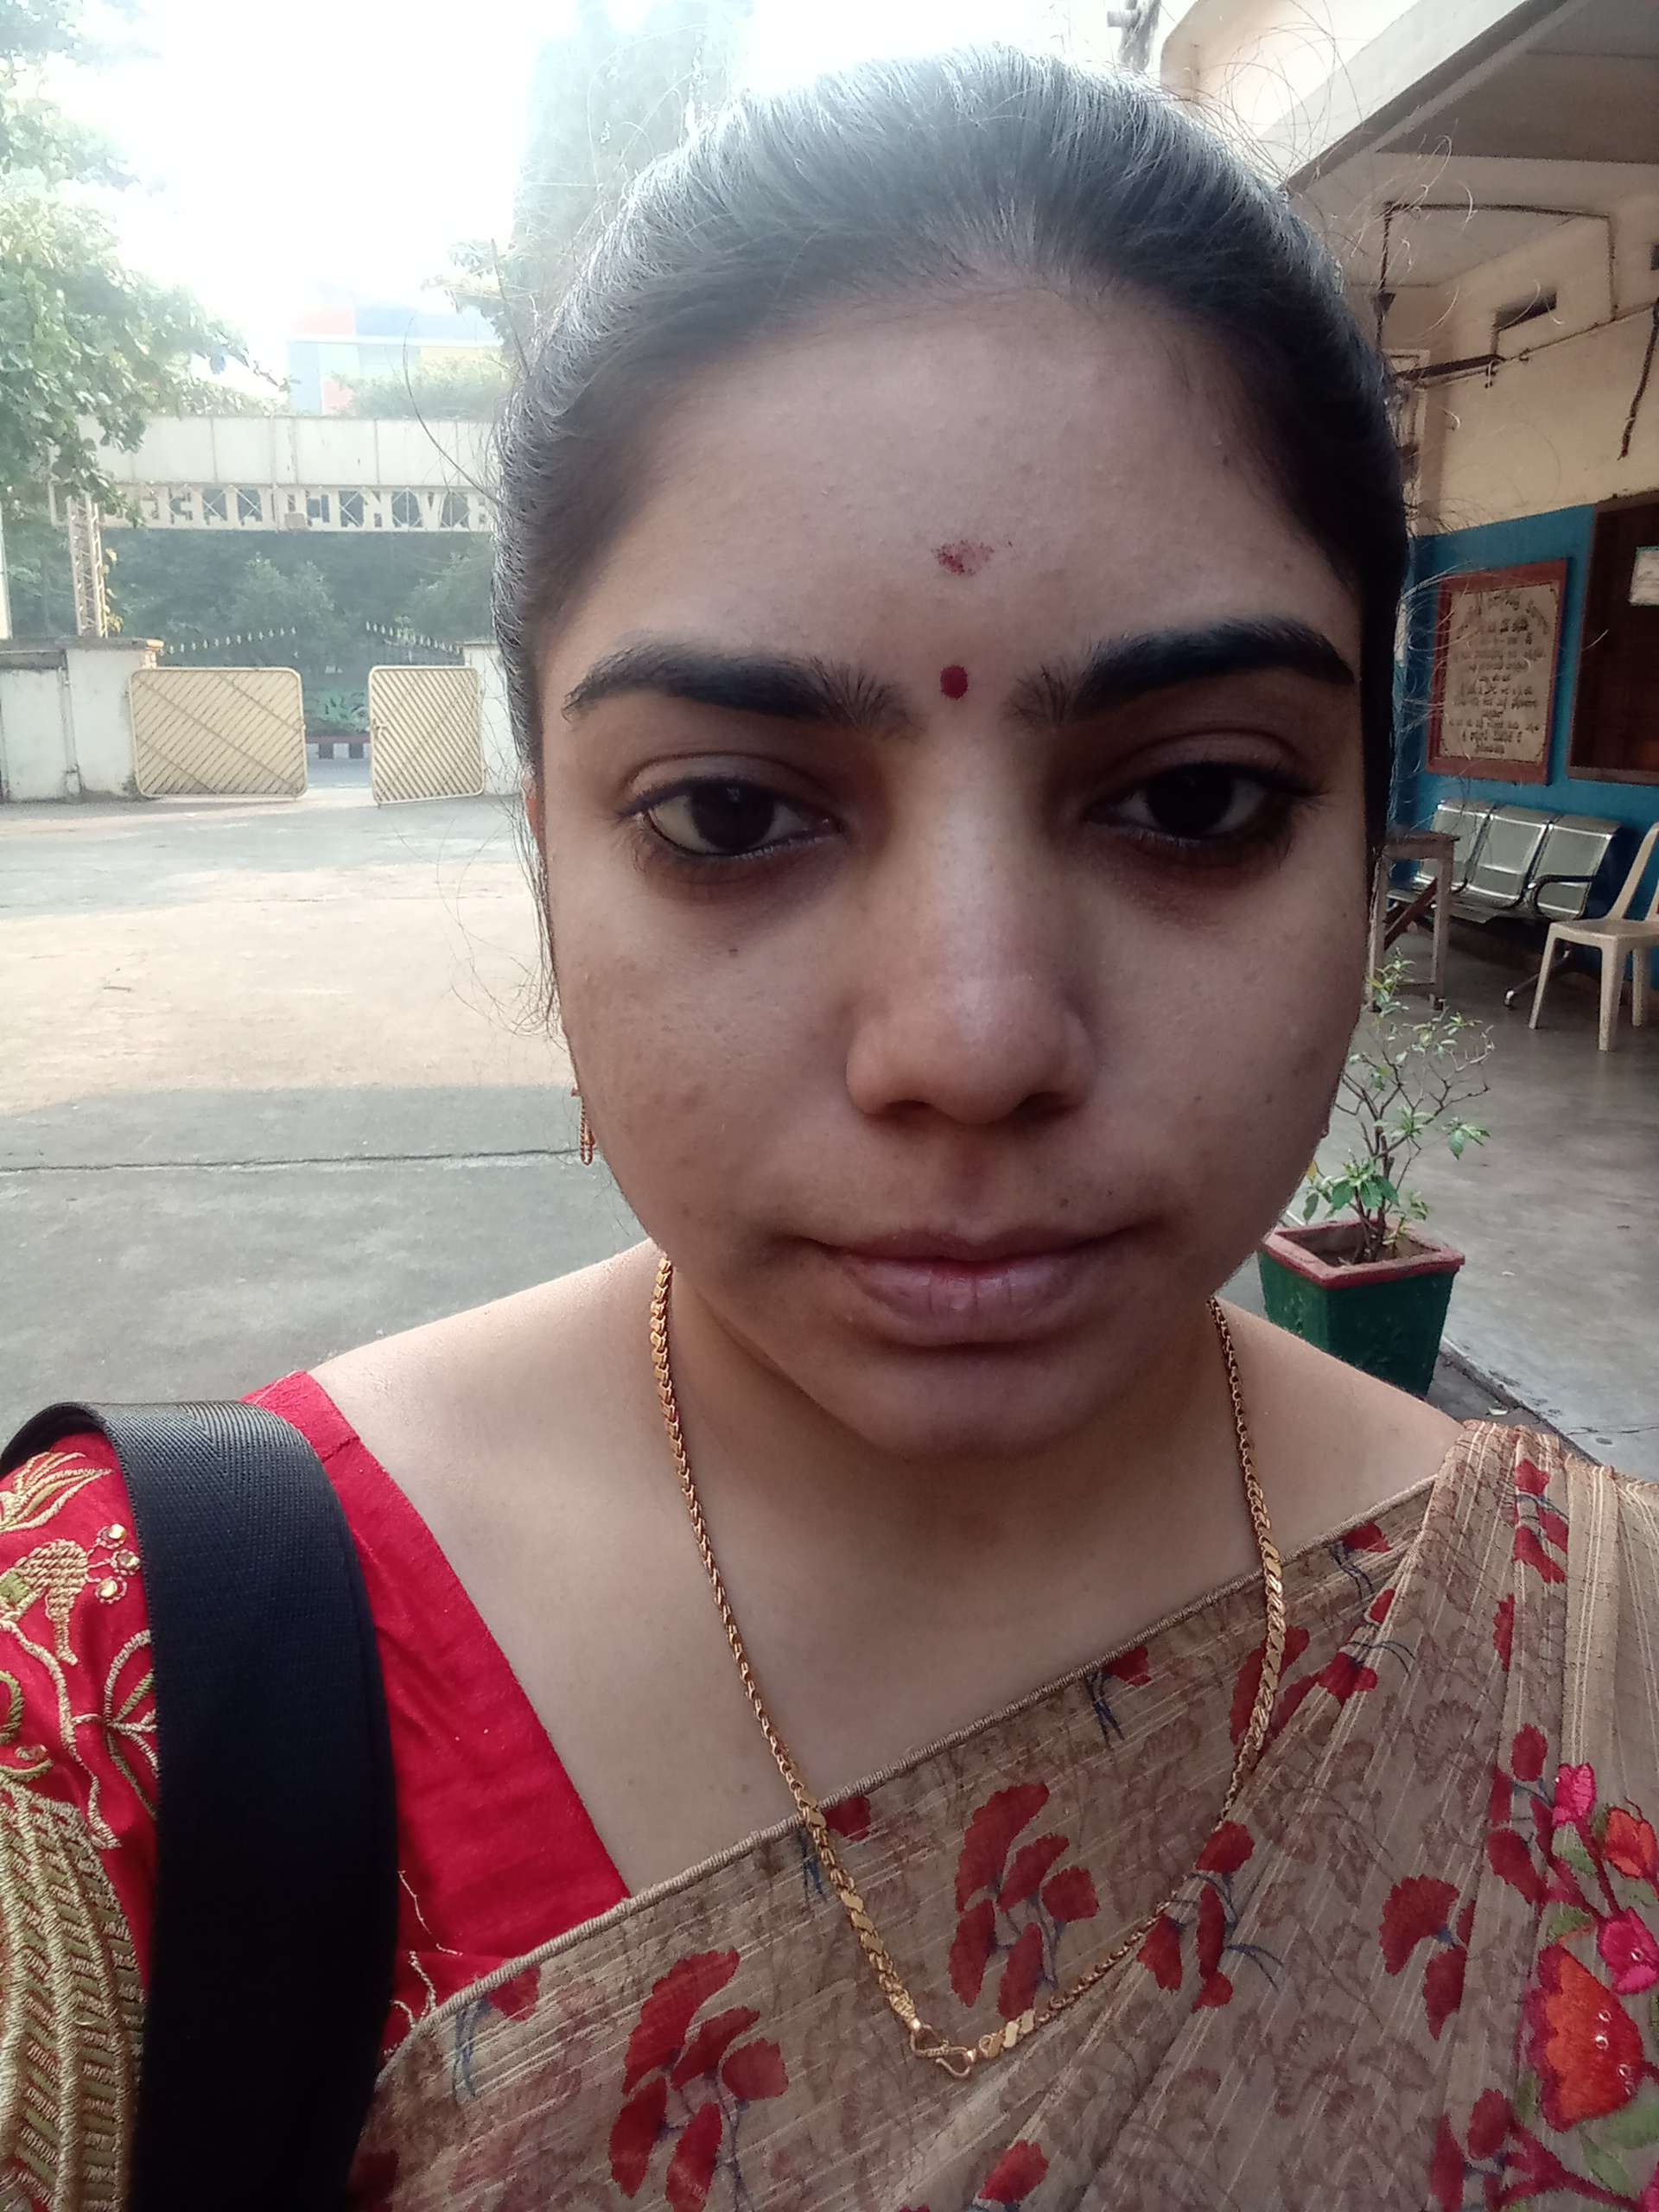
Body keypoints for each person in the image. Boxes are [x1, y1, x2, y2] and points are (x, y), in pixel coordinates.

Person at [3, 45, 1655, 2212]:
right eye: (728, 814)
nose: (971, 1039)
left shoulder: (1599, 1660)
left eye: (1196, 798)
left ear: (1371, 837)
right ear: (544, 851)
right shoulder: (113, 1703)